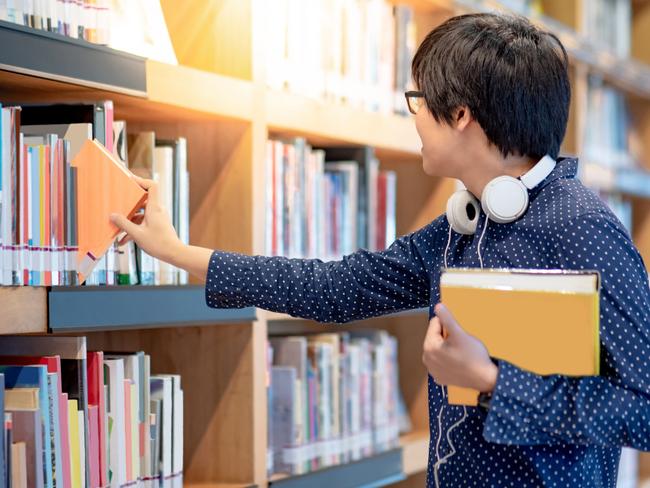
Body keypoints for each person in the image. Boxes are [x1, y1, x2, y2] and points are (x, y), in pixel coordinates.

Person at [111, 13, 650, 488]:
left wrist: (490, 380)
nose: (411, 116)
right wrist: (179, 252)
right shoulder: (465, 224)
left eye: (415, 99)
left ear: (460, 114)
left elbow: (642, 410)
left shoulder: (582, 230)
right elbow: (336, 288)